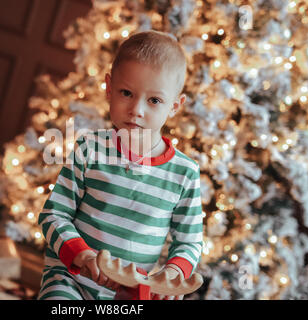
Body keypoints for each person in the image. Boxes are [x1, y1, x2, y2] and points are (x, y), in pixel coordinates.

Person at [37, 30, 203, 300]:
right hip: (70, 280)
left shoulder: (185, 174)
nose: (137, 109)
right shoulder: (90, 149)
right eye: (127, 93)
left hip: (130, 294)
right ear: (109, 88)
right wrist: (81, 254)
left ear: (174, 106)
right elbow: (53, 215)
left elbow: (189, 242)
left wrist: (173, 273)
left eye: (154, 100)